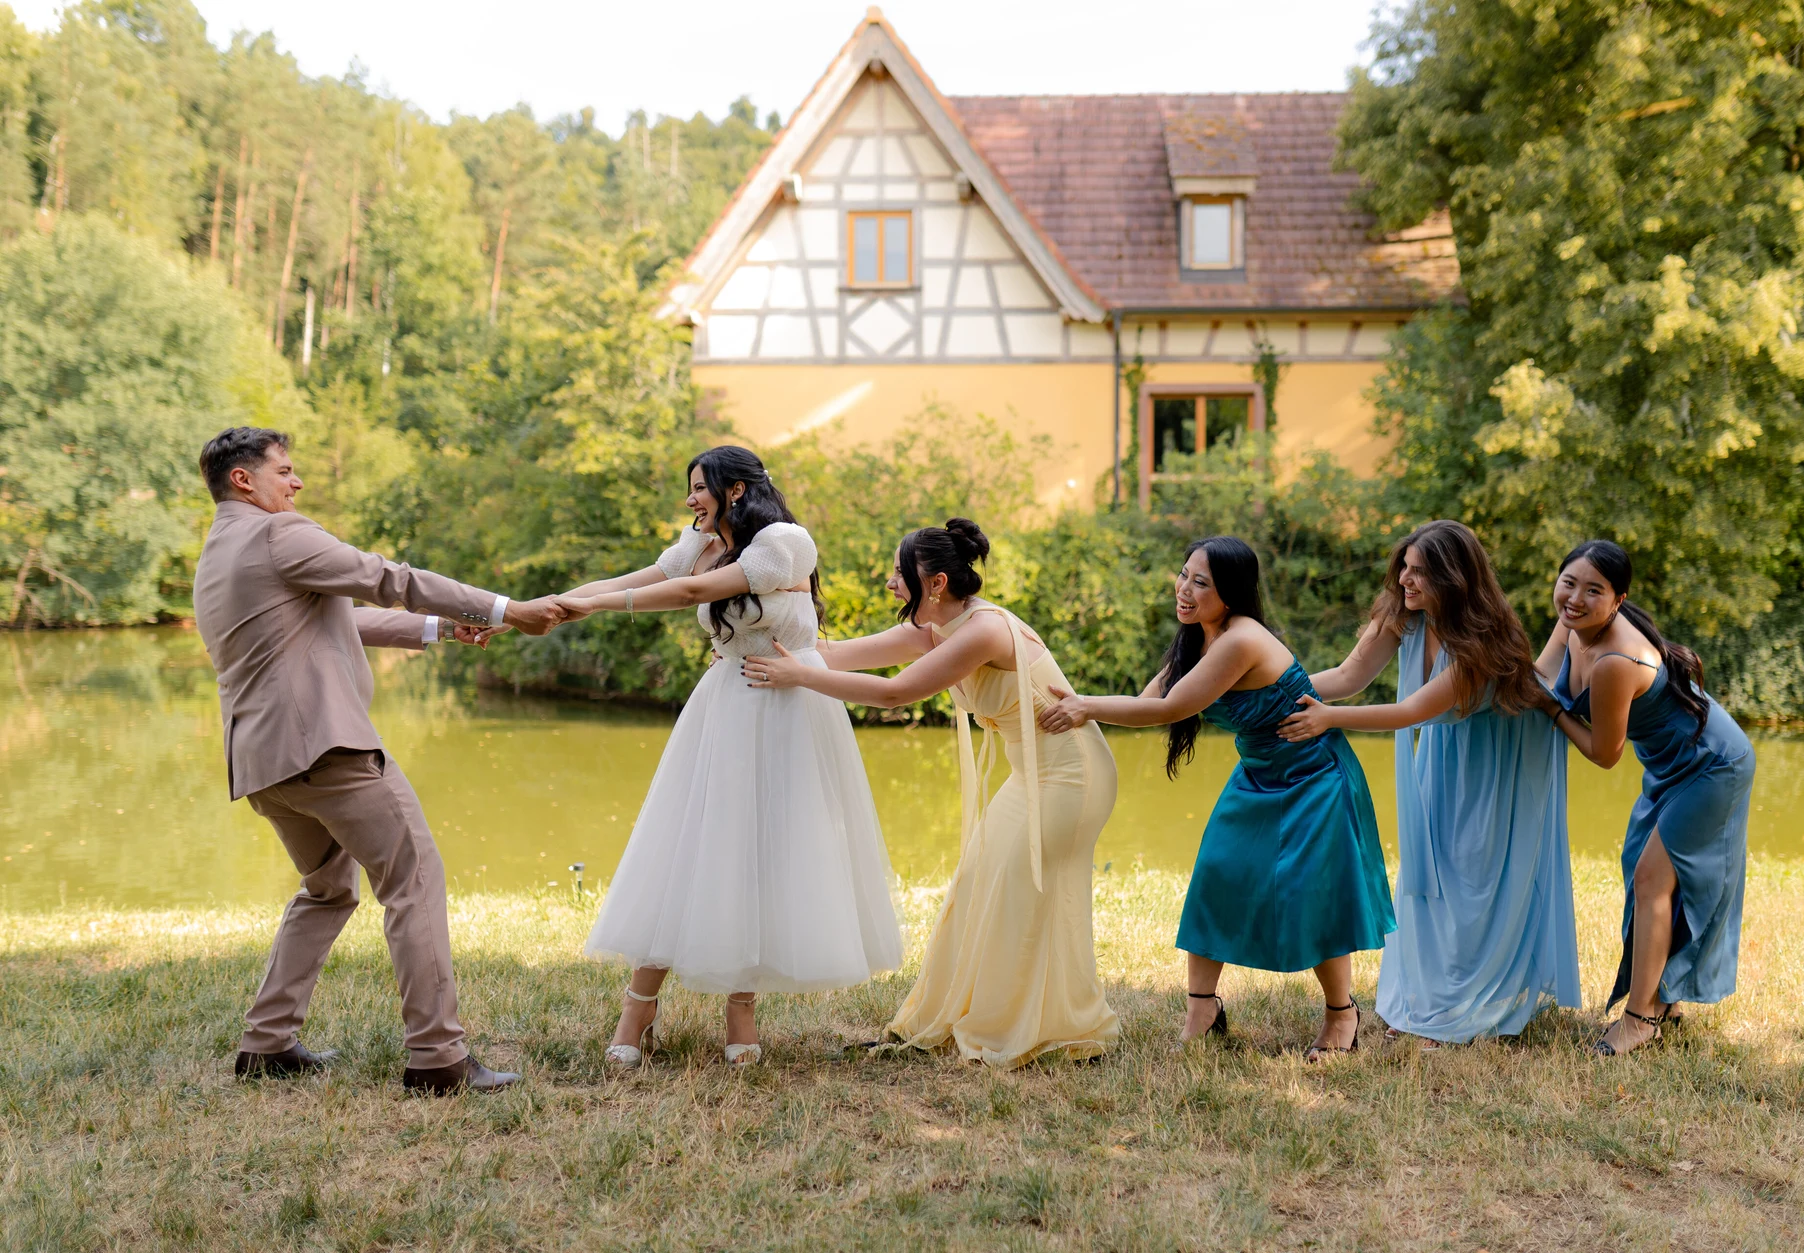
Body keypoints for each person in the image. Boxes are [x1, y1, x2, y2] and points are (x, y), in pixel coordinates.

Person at [193, 426, 565, 1094]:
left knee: (328, 888)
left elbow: (336, 618)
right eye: (285, 470)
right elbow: (387, 579)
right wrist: (507, 608)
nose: (297, 482)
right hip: (325, 750)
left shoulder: (219, 552)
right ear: (243, 479)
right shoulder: (278, 534)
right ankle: (438, 1058)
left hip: (264, 763)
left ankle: (266, 1043)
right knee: (413, 878)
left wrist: (441, 627)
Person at [554, 446, 901, 1069]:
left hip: (791, 708)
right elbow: (640, 580)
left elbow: (690, 592)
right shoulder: (702, 544)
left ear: (735, 489)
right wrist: (554, 605)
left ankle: (741, 1009)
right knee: (685, 842)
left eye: (699, 487)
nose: (690, 500)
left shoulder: (785, 542)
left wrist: (594, 606)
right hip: (727, 705)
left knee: (764, 850)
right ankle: (638, 1006)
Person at [740, 518, 1118, 1068]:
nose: (890, 583)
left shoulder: (984, 631)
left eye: (900, 574)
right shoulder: (936, 629)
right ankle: (964, 1016)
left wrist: (799, 677)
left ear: (936, 583)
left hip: (1070, 775)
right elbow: (834, 652)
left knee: (1016, 893)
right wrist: (756, 634)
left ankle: (1024, 1026)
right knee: (976, 886)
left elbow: (895, 694)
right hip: (1031, 775)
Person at [1039, 537, 1394, 1059]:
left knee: (1312, 895)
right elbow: (1148, 702)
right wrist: (1075, 704)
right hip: (1257, 773)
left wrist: (1085, 706)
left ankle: (1342, 1015)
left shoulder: (1240, 640)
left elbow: (1172, 709)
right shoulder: (1198, 638)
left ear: (1231, 592)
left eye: (1200, 582)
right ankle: (1203, 1011)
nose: (1184, 589)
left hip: (1314, 775)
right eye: (1183, 574)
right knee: (1215, 878)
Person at [1279, 520, 1579, 1046]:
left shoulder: (1480, 645)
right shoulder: (1403, 614)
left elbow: (1411, 711)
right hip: (1444, 754)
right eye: (1404, 568)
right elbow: (1349, 676)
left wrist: (1328, 719)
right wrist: (1278, 692)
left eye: (1419, 572)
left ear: (1454, 579)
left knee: (1472, 884)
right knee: (1430, 875)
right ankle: (1429, 1001)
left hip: (1499, 761)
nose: (1405, 581)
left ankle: (1470, 1006)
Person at [1538, 540, 1755, 1056]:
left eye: (1594, 590)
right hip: (1668, 763)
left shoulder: (1615, 660)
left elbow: (1604, 752)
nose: (1575, 598)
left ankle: (1639, 1019)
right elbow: (1541, 676)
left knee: (1652, 877)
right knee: (1641, 865)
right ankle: (1663, 999)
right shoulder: (1571, 622)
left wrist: (1552, 713)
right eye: (1569, 582)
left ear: (1618, 600)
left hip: (1712, 764)